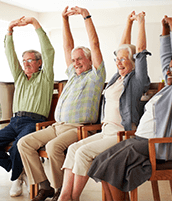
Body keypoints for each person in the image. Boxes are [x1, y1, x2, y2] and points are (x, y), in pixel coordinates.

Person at [87, 14, 172, 201]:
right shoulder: (168, 89)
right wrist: (164, 32)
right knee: (101, 160)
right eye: (169, 68)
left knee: (111, 165)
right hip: (142, 140)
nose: (169, 71)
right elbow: (167, 59)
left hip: (161, 145)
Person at [58, 11, 151, 201]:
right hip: (107, 130)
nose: (119, 62)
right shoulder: (117, 78)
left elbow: (139, 50)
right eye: (117, 59)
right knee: (74, 148)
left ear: (134, 62)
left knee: (83, 153)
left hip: (122, 133)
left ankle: (73, 198)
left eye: (124, 59)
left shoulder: (136, 80)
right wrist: (127, 21)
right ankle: (64, 196)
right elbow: (122, 49)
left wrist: (141, 22)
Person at [17, 6, 105, 201]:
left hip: (79, 128)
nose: (76, 62)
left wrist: (85, 16)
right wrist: (64, 19)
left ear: (90, 59)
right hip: (57, 126)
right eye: (74, 60)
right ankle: (44, 185)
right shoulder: (73, 75)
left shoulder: (96, 76)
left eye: (80, 58)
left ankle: (60, 191)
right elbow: (67, 47)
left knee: (53, 147)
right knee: (24, 143)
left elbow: (95, 43)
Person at [0, 16, 55, 197]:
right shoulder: (20, 77)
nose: (26, 63)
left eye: (30, 60)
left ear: (39, 63)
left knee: (18, 147)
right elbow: (9, 54)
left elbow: (48, 51)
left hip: (33, 122)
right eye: (24, 61)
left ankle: (15, 178)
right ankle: (19, 172)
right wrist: (9, 29)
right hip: (14, 122)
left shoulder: (45, 77)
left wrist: (36, 24)